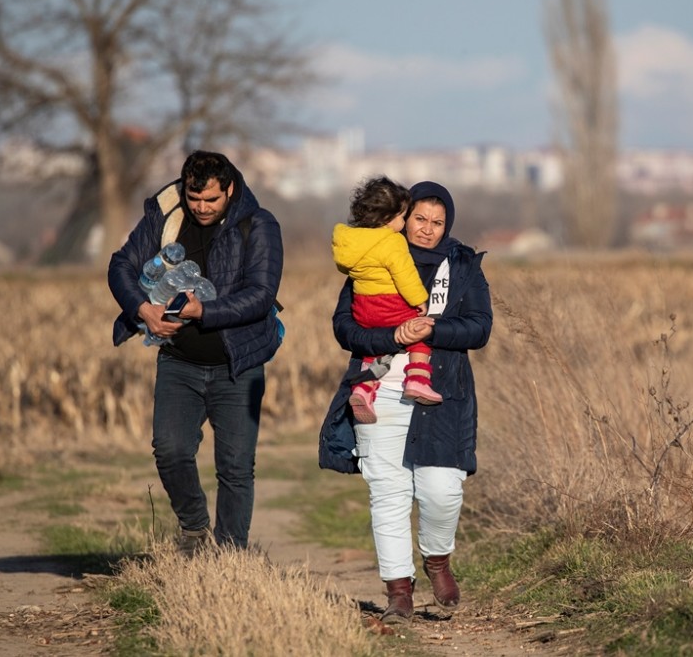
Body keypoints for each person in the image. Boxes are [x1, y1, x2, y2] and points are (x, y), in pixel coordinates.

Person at [319, 181, 493, 623]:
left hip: (441, 390)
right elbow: (345, 328)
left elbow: (479, 328)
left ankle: (437, 559)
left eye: (437, 222)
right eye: (420, 219)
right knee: (388, 491)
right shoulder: (371, 255)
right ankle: (399, 591)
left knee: (441, 489)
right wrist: (393, 337)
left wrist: (431, 330)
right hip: (378, 389)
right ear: (404, 216)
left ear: (447, 224)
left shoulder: (464, 266)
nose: (428, 230)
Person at [108, 150, 283, 555]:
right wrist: (143, 309)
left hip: (240, 365)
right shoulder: (164, 217)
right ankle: (195, 527)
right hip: (178, 361)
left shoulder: (259, 225)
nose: (202, 208)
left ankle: (231, 557)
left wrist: (203, 309)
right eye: (194, 198)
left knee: (236, 467)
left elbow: (260, 295)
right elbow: (120, 266)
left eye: (212, 200)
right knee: (169, 451)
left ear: (231, 190)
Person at [331, 176, 443, 425]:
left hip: (363, 308)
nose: (403, 223)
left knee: (373, 351)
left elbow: (346, 270)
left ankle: (364, 388)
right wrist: (420, 301)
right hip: (390, 305)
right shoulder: (392, 241)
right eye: (404, 217)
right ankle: (418, 379)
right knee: (419, 333)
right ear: (387, 218)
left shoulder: (349, 241)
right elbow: (404, 275)